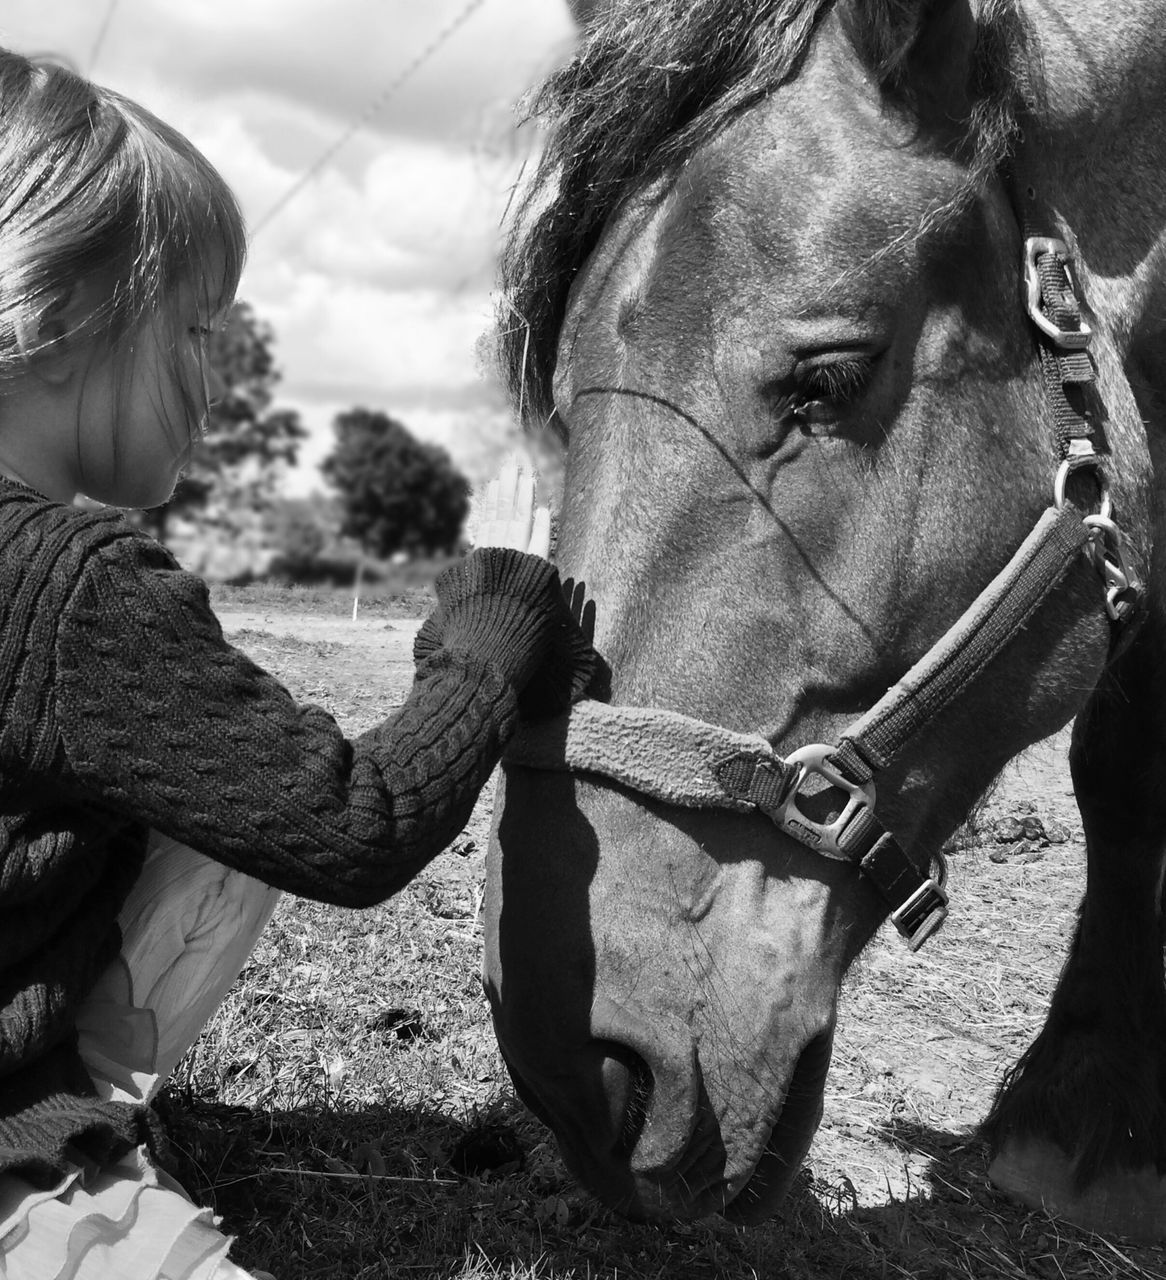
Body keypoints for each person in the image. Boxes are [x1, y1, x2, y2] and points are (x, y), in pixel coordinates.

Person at [0, 49, 594, 1280]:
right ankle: (60, 1178)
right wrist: (485, 643)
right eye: (198, 330)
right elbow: (347, 823)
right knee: (260, 787)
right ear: (54, 318)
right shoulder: (75, 589)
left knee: (203, 770)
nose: (218, 378)